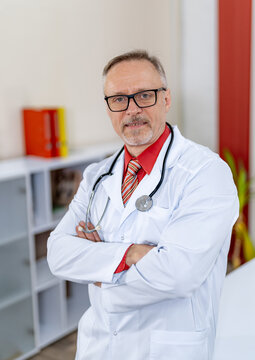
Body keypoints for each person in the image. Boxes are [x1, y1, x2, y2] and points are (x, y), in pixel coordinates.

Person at [47, 50, 239, 360]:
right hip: (99, 345)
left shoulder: (206, 173)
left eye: (144, 95)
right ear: (109, 108)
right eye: (119, 99)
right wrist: (132, 254)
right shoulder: (98, 176)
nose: (132, 110)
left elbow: (179, 275)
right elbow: (57, 254)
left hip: (167, 348)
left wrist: (99, 274)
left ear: (166, 99)